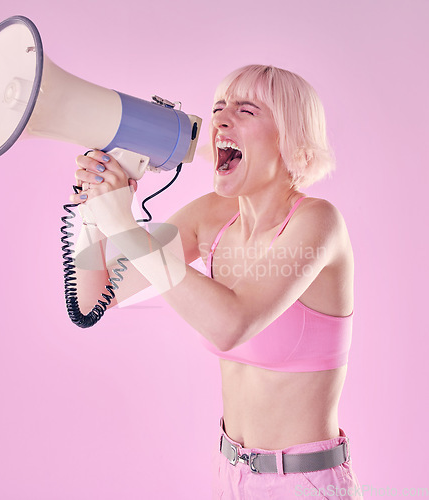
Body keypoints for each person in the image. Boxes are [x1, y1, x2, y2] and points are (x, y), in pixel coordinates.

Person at [69, 65, 362, 499]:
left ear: (291, 139)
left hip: (305, 484)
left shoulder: (317, 222)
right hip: (230, 475)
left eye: (246, 111)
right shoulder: (210, 215)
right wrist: (92, 214)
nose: (221, 120)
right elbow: (97, 294)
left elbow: (231, 324)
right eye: (219, 108)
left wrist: (125, 226)